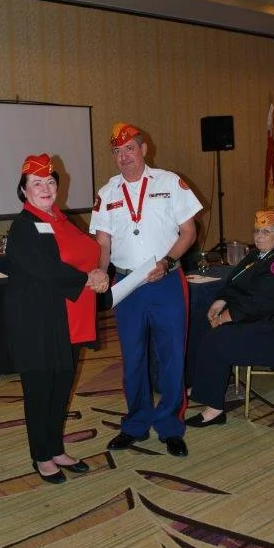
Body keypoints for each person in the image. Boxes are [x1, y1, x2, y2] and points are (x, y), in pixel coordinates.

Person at [89, 123, 202, 457]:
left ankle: (170, 425)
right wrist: (101, 269)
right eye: (117, 152)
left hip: (166, 282)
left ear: (144, 149)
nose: (124, 157)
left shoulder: (169, 182)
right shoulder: (107, 193)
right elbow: (103, 242)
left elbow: (189, 232)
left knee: (171, 356)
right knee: (133, 358)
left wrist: (167, 261)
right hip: (127, 286)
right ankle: (136, 424)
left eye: (130, 149)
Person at [4, 153, 109, 484]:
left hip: (69, 321)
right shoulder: (23, 227)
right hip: (38, 324)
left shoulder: (62, 220)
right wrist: (87, 279)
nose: (46, 188)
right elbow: (45, 269)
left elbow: (89, 252)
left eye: (50, 181)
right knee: (40, 391)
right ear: (24, 191)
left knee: (61, 388)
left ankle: (55, 447)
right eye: (37, 183)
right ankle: (41, 455)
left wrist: (100, 273)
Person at [186, 211, 274, 427]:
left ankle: (215, 410)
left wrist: (225, 318)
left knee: (219, 338)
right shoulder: (257, 255)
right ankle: (201, 385)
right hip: (264, 321)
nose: (259, 236)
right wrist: (221, 301)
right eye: (257, 231)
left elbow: (261, 302)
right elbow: (233, 282)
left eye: (266, 232)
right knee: (199, 322)